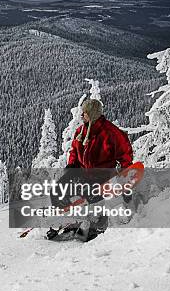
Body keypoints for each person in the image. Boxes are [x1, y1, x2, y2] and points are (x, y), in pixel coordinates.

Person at [48, 98, 134, 242]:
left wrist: (125, 179)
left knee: (91, 195)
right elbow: (74, 151)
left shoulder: (110, 132)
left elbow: (125, 153)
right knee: (58, 191)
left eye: (85, 113)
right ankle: (69, 221)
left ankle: (97, 226)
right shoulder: (80, 131)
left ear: (93, 114)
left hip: (103, 175)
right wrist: (71, 167)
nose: (82, 115)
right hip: (83, 173)